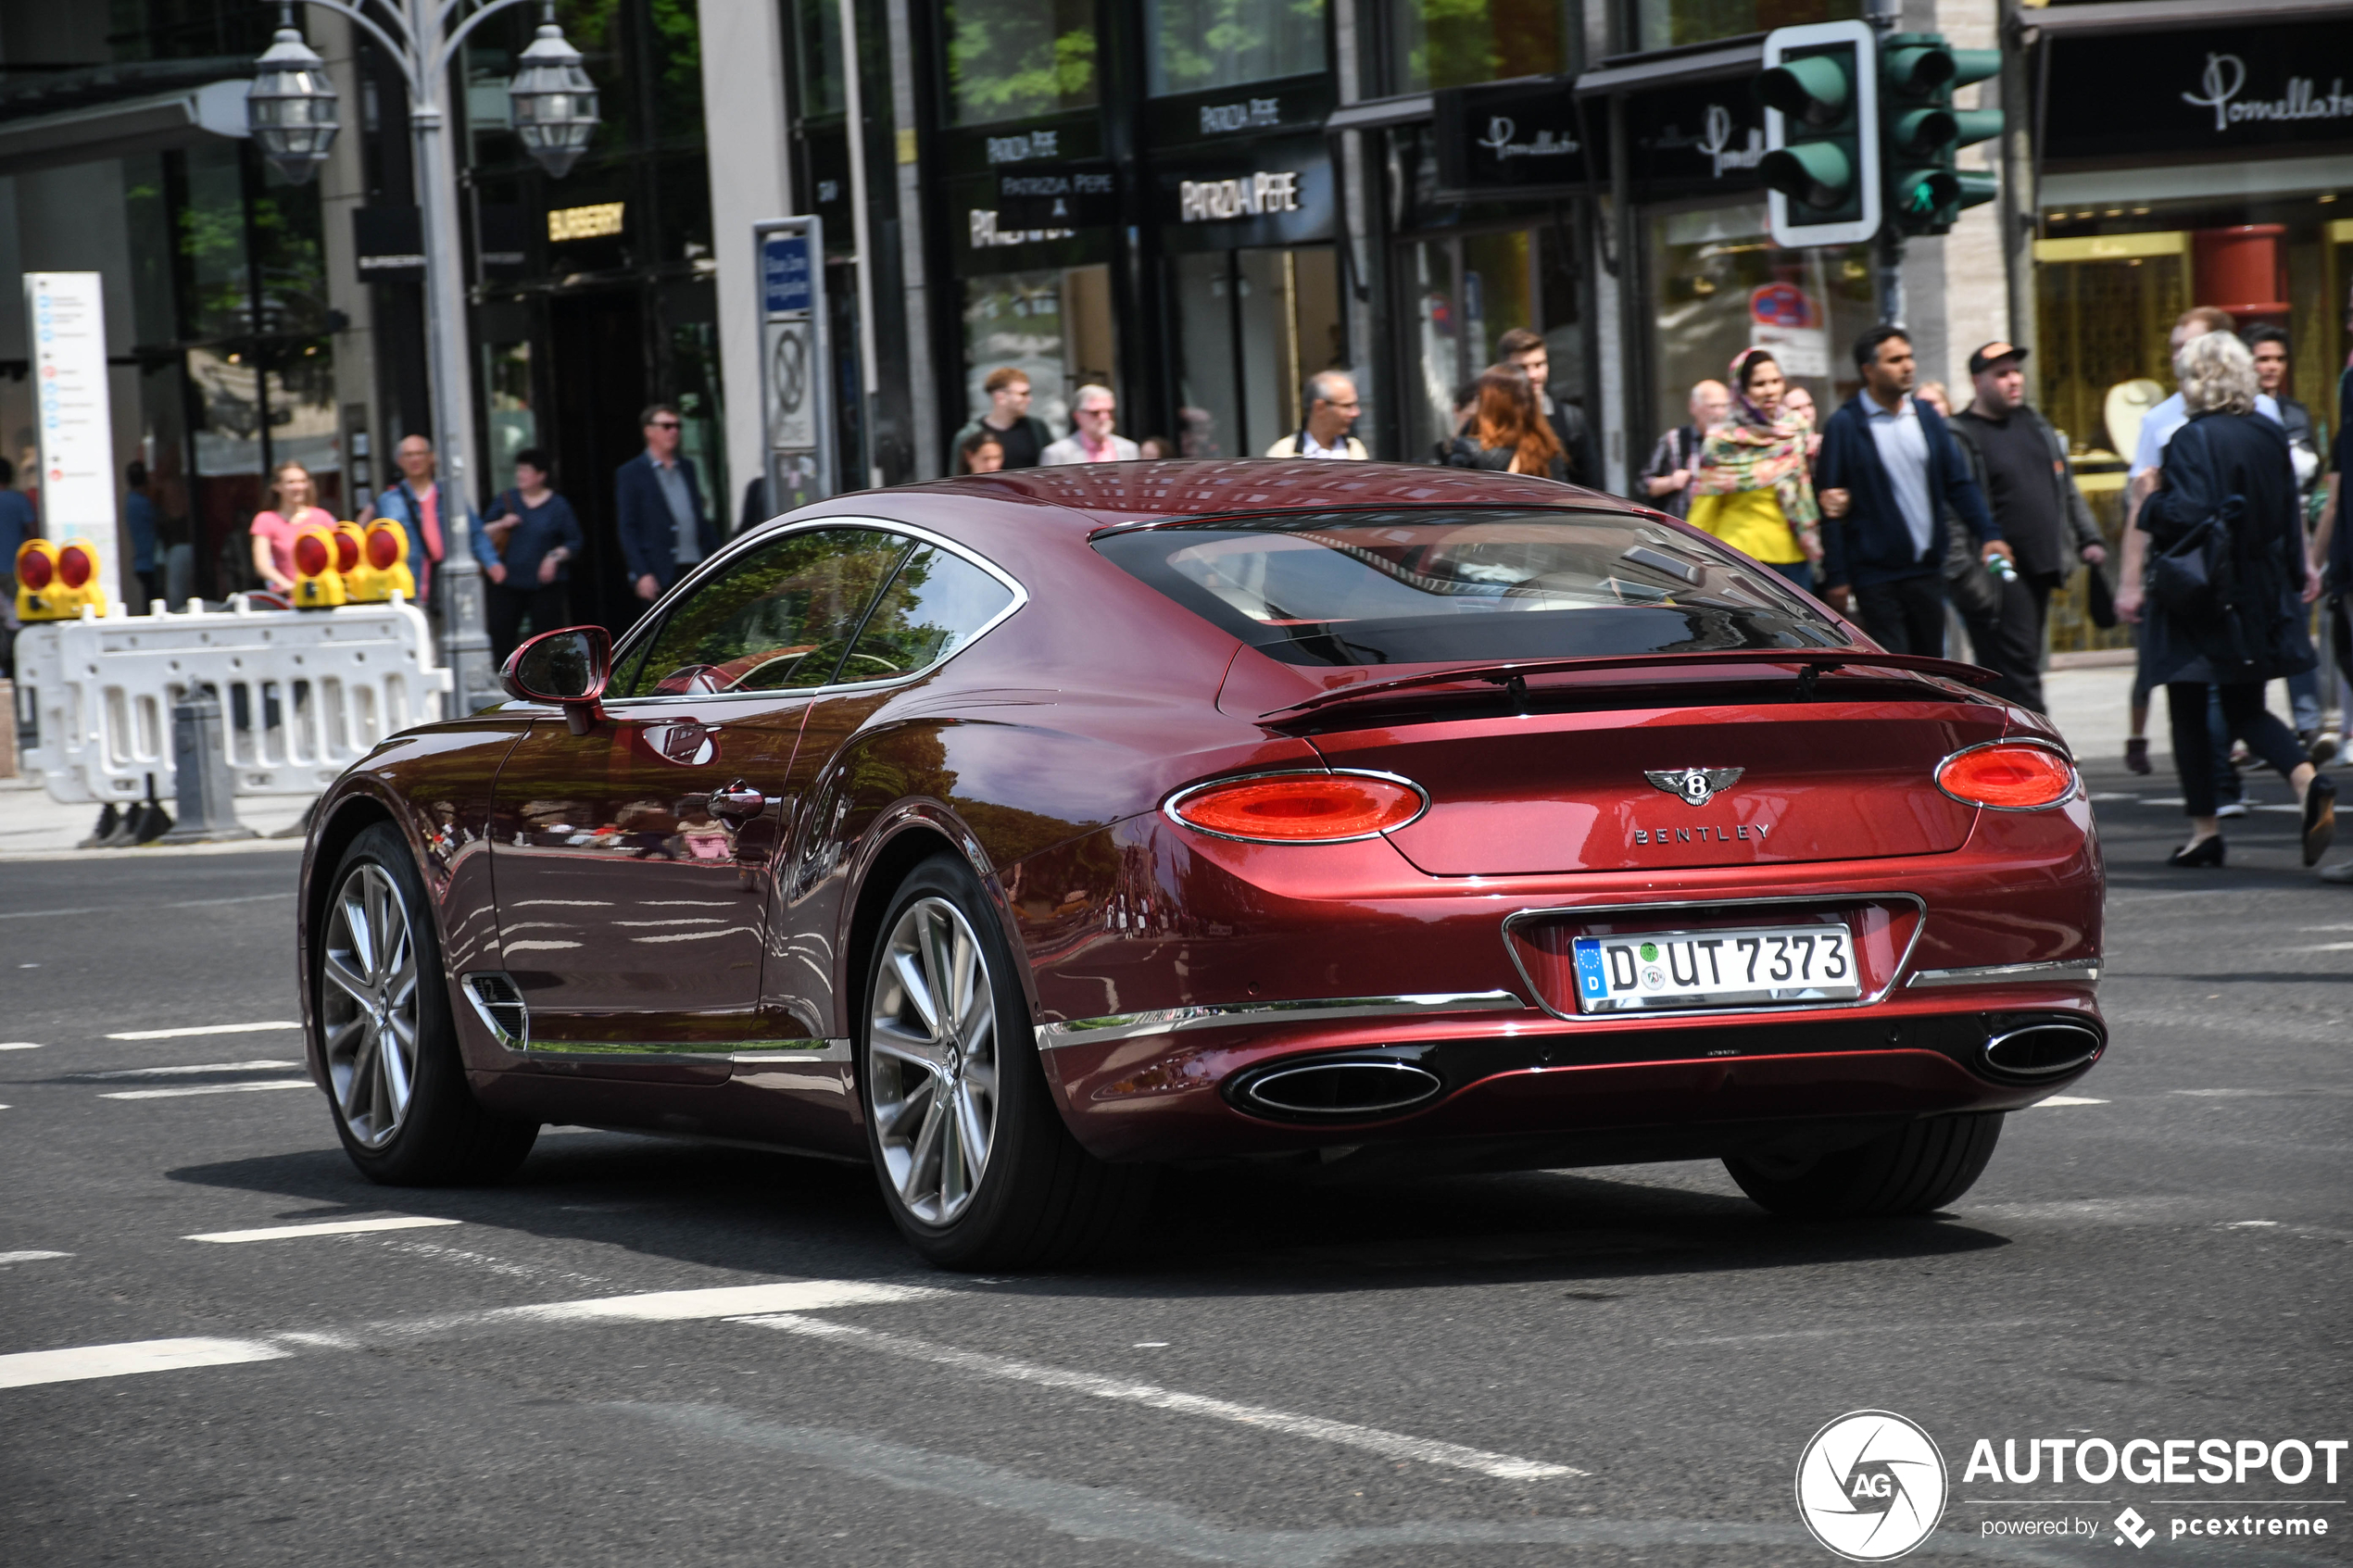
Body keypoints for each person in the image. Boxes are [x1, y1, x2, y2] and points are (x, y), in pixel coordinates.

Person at [2115, 330, 2332, 869]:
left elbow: (2186, 514)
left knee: (2188, 705)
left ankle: (2204, 831)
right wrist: (2298, 569)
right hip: (2258, 586)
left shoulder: (2190, 437)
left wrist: (2149, 500)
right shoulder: (2266, 431)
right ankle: (2307, 782)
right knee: (2245, 705)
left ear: (2195, 380)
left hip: (2200, 588)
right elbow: (2287, 510)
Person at [2118, 307, 2285, 777]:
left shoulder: (2239, 422)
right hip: (2213, 579)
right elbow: (2139, 508)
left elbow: (2168, 507)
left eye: (2184, 348)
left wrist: (2152, 503)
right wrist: (2130, 581)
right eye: (2172, 348)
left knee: (2213, 697)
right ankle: (2271, 784)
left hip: (2222, 578)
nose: (2176, 359)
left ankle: (2212, 810)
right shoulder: (2161, 420)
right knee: (2225, 698)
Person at [1818, 326, 2008, 654]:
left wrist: (1988, 533)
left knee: (1932, 664)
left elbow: (1958, 484)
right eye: (1895, 360)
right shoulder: (1845, 426)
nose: (1908, 366)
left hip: (1928, 572)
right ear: (1869, 371)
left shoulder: (1927, 419)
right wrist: (1837, 577)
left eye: (1909, 357)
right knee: (1899, 668)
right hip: (1875, 577)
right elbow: (1829, 507)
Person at [1949, 341, 2108, 714]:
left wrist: (2089, 537)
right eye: (2001, 374)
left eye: (2016, 372)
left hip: (2041, 565)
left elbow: (2065, 486)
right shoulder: (1961, 433)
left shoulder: (2035, 424)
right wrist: (1963, 571)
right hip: (1998, 570)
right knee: (2019, 669)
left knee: (2018, 665)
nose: (2013, 380)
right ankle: (2045, 751)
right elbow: (1955, 508)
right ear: (1977, 381)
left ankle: (2015, 747)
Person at [2247, 324, 2330, 758]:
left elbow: (2316, 473)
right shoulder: (2244, 414)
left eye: (2278, 359)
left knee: (2298, 632)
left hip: (2294, 533)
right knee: (2257, 639)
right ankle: (2254, 730)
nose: (2271, 367)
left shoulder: (2296, 414)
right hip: (2258, 540)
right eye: (2262, 359)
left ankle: (2309, 725)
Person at [1685, 350, 1820, 591]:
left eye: (1776, 381)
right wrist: (1687, 566)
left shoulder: (1796, 430)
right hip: (1742, 560)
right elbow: (1704, 509)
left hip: (1795, 555)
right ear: (1742, 390)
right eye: (1759, 384)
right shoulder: (1723, 439)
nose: (1770, 390)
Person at [476, 447, 584, 666]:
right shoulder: (506, 499)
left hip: (544, 586)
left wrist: (554, 557)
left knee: (546, 639)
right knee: (502, 633)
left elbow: (575, 541)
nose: (519, 475)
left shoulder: (558, 506)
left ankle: (543, 681)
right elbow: (479, 533)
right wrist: (502, 523)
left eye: (525, 470)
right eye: (518, 470)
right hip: (507, 582)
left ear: (541, 475)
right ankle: (505, 675)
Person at [616, 402, 716, 605]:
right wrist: (642, 573)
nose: (674, 432)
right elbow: (628, 528)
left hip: (696, 566)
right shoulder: (631, 473)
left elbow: (699, 517)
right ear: (649, 431)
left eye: (677, 426)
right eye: (667, 426)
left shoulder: (687, 467)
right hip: (660, 571)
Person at [1496, 327, 1603, 488]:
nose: (1533, 375)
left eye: (1539, 364)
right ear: (1504, 370)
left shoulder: (1570, 419)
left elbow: (1593, 485)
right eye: (1523, 368)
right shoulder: (1489, 420)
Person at [361, 433, 450, 608]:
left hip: (444, 586)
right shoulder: (388, 500)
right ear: (400, 461)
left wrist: (491, 563)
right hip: (404, 589)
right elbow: (372, 541)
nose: (415, 459)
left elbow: (473, 532)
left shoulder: (448, 496)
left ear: (431, 457)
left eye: (419, 453)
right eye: (409, 455)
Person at [1440, 365, 1567, 480]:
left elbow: (1451, 496)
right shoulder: (1548, 449)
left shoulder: (1468, 449)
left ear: (1488, 403)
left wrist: (1457, 434)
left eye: (1481, 395)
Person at [1638, 380, 1731, 519]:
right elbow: (1643, 485)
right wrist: (1671, 482)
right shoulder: (1675, 440)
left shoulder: (1735, 442)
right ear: (1693, 407)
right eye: (1712, 406)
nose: (1719, 413)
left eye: (1724, 406)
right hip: (1681, 532)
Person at [248, 460, 334, 595]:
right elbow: (262, 565)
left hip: (324, 594)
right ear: (277, 486)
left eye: (302, 481)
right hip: (286, 598)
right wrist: (289, 587)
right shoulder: (265, 520)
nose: (298, 487)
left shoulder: (323, 517)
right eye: (291, 482)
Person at [950, 368, 1051, 470]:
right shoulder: (970, 435)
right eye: (1023, 394)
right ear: (1000, 397)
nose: (1029, 399)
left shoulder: (1037, 428)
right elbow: (956, 479)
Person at [1265, 371, 1367, 458]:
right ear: (1320, 407)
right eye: (1347, 406)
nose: (1355, 413)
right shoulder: (1283, 454)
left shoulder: (1355, 450)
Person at [1040, 384, 1139, 464]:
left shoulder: (1129, 449)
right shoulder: (1057, 453)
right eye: (1095, 413)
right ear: (1077, 416)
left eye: (1110, 411)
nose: (1104, 417)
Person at [0, 456, 33, 675]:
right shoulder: (19, 500)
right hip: (14, 570)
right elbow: (34, 533)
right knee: (21, 617)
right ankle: (19, 663)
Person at [124, 460, 160, 608]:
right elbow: (160, 519)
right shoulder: (144, 504)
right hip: (151, 561)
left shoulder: (130, 501)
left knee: (149, 600)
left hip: (141, 561)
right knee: (154, 602)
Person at [1781, 384, 1824, 461]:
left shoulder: (1827, 445)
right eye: (1796, 409)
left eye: (1809, 405)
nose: (1808, 413)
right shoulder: (1777, 453)